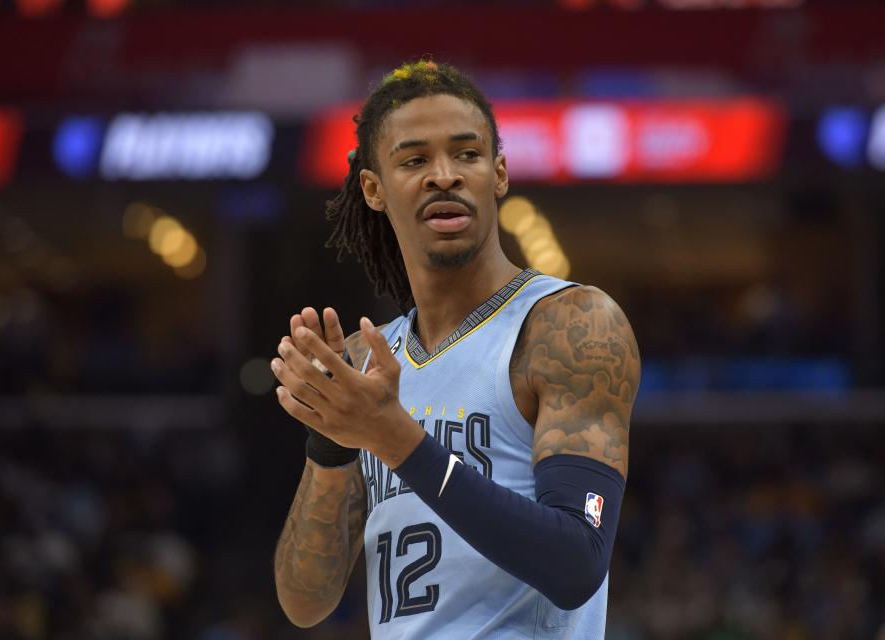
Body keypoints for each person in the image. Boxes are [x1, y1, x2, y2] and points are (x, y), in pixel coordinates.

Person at [271, 59, 640, 639]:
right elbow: (304, 602)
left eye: (466, 154)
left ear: (498, 174)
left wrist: (396, 438)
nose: (443, 175)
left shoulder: (569, 325)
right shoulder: (374, 366)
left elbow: (578, 561)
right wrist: (331, 444)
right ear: (373, 188)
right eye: (415, 160)